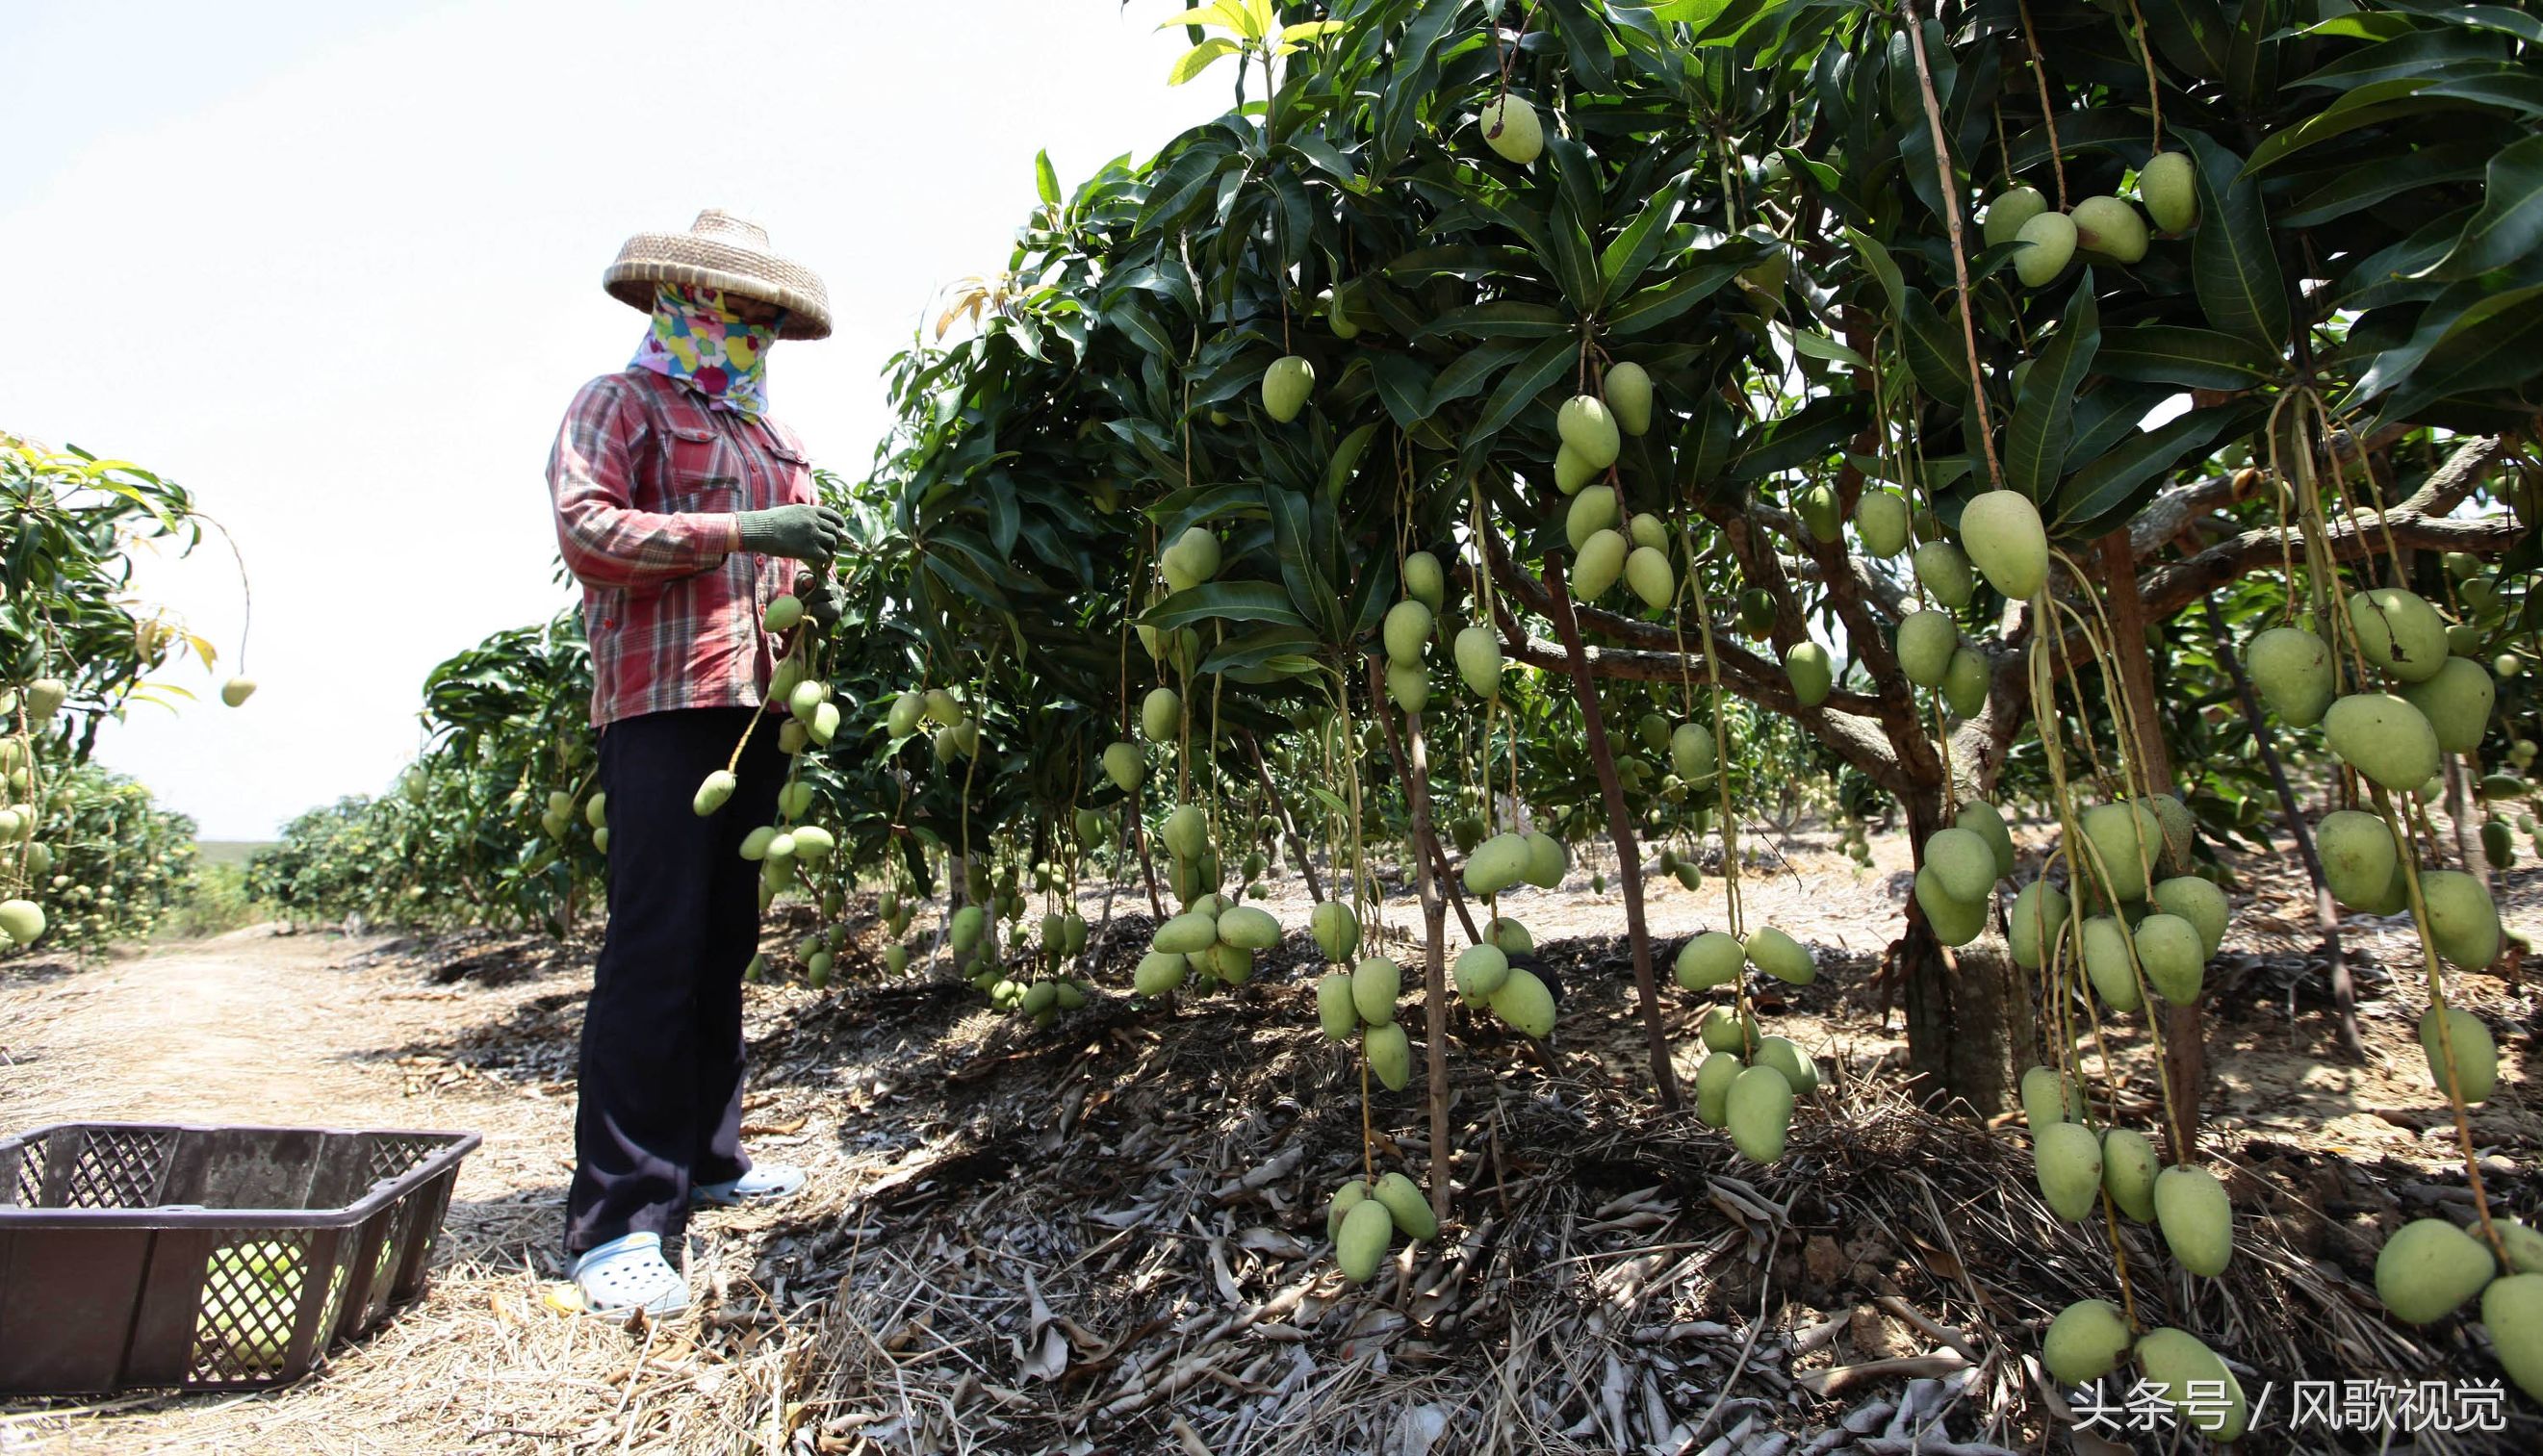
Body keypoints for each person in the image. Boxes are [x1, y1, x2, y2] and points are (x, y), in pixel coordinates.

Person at [545, 210, 848, 1316]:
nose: (752, 334)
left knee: (723, 941)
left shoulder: (767, 431)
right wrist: (745, 535)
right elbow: (587, 532)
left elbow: (798, 551)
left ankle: (707, 1159)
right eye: (739, 313)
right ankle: (618, 1219)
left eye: (765, 320)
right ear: (686, 306)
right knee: (655, 948)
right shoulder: (617, 403)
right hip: (665, 705)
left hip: (757, 710)